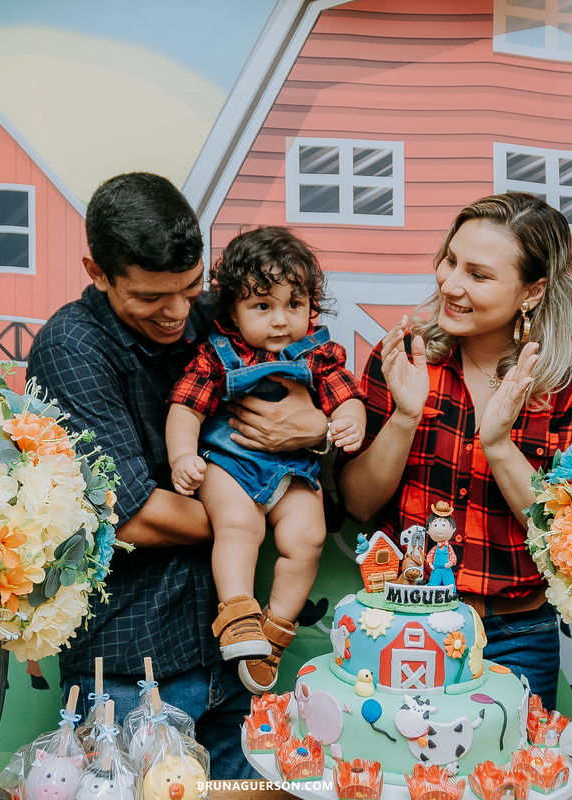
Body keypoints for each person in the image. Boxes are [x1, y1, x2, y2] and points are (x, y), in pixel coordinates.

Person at [26, 173, 329, 778]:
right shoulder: (72, 348)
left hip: (233, 657)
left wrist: (316, 428)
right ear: (98, 272)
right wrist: (255, 511)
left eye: (191, 290)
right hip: (134, 662)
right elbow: (135, 515)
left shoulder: (230, 316)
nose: (177, 313)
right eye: (150, 298)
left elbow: (313, 408)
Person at [337, 192, 572, 710]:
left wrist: (499, 444)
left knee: (504, 784)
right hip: (405, 619)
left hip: (518, 634)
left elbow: (565, 537)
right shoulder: (406, 354)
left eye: (479, 275)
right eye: (450, 260)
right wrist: (404, 416)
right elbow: (357, 503)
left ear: (532, 291)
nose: (451, 284)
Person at [165, 227, 366, 694]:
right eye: (262, 306)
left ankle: (274, 630)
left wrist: (349, 421)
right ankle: (238, 615)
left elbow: (346, 397)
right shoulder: (217, 355)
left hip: (294, 469)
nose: (281, 320)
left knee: (309, 535)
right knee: (241, 526)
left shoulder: (318, 353)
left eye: (293, 305)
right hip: (229, 464)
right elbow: (186, 407)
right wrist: (181, 456)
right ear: (232, 311)